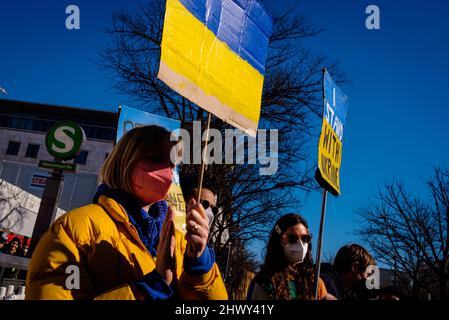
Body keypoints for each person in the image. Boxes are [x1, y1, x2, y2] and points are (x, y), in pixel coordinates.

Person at [26, 125, 228, 300]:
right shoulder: (75, 229)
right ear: (126, 161)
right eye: (155, 158)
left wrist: (200, 267)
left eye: (172, 164)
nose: (166, 171)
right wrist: (151, 289)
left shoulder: (181, 241)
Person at [248, 214, 329, 300]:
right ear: (279, 240)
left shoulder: (315, 282)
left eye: (305, 238)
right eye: (292, 238)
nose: (300, 244)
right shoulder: (265, 282)